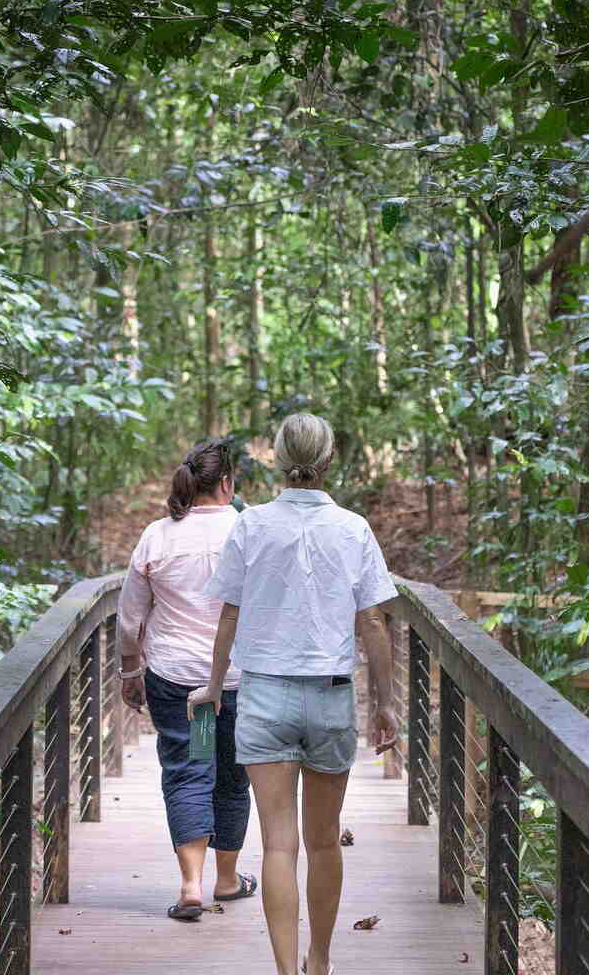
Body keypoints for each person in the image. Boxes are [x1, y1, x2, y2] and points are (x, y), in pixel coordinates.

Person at [190, 413, 399, 975]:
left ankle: (286, 970)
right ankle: (319, 962)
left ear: (278, 460)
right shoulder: (353, 528)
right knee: (324, 841)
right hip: (330, 696)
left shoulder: (251, 525)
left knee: (279, 845)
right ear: (328, 460)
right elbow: (373, 622)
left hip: (264, 695)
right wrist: (385, 702)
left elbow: (229, 615)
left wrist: (214, 685)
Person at [117, 439, 258, 921]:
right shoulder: (249, 530)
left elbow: (130, 615)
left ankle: (191, 885)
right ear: (227, 483)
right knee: (232, 776)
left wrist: (130, 669)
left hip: (181, 682)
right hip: (238, 679)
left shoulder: (158, 536)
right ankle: (227, 878)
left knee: (192, 768)